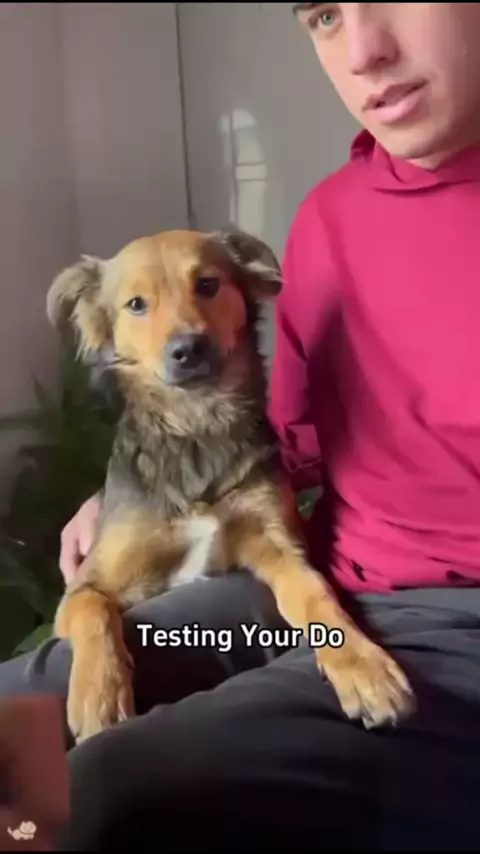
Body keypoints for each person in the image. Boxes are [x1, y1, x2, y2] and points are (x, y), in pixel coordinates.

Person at [3, 2, 480, 849]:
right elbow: (290, 435)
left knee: (107, 787)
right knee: (14, 718)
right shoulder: (331, 218)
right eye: (325, 15)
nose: (364, 52)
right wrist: (120, 503)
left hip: (443, 627)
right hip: (297, 597)